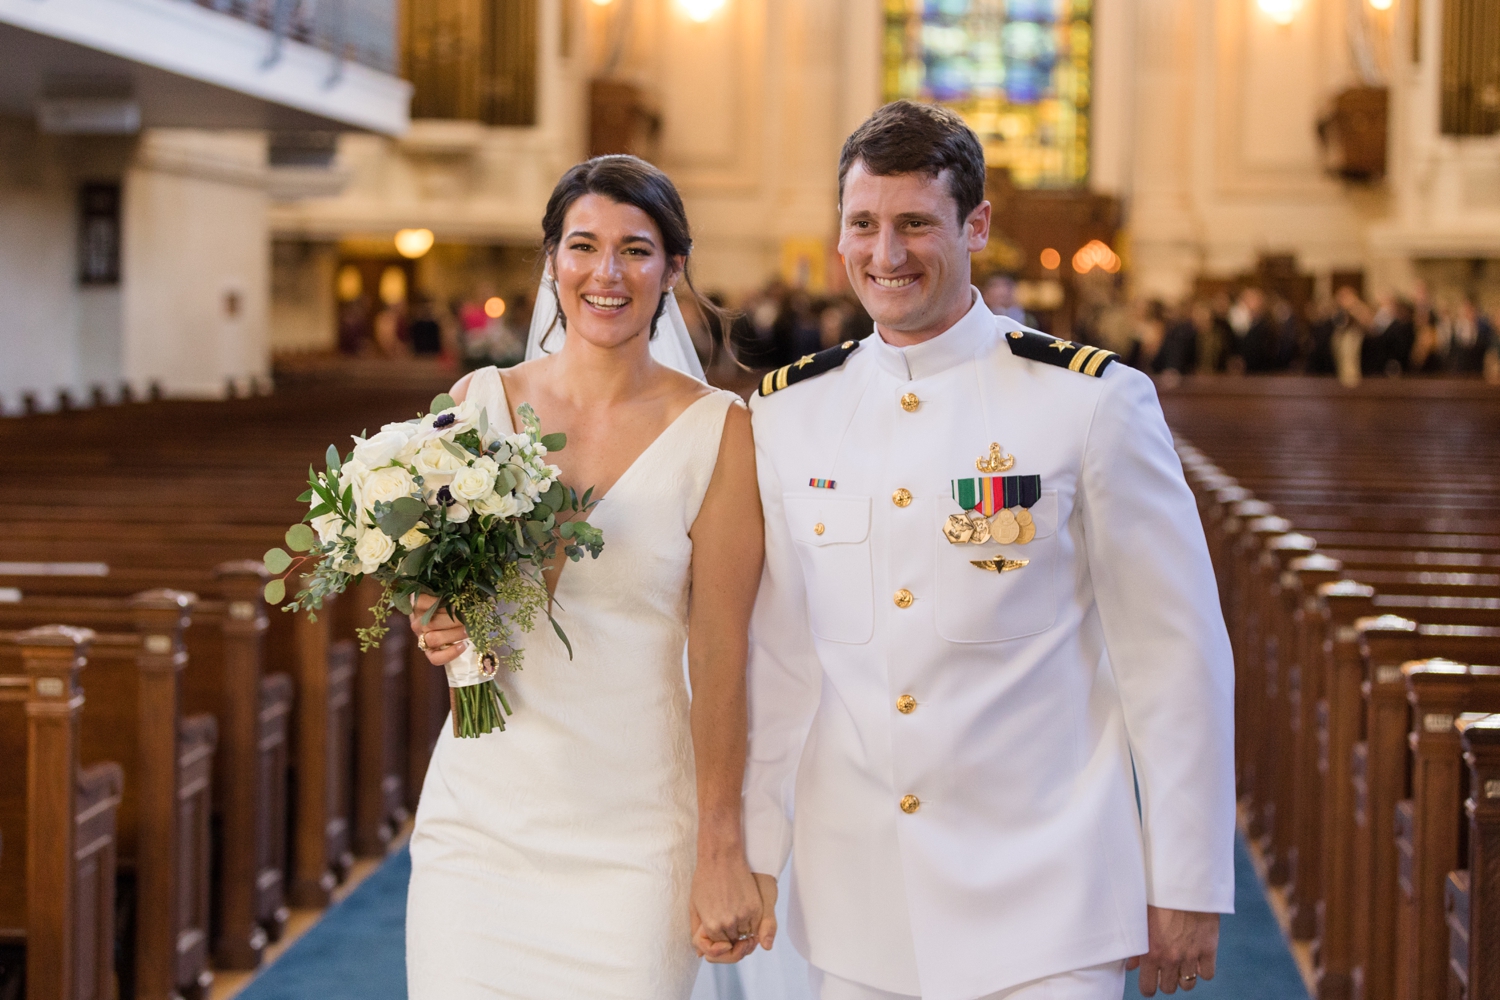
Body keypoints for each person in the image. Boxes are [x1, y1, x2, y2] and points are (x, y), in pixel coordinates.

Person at [744, 101, 1235, 1000]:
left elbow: (1173, 655)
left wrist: (1186, 878)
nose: (885, 255)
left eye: (915, 225)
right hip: (860, 893)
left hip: (1047, 894)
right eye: (863, 224)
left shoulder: (1089, 401)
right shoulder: (787, 413)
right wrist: (753, 848)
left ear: (976, 226)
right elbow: (780, 659)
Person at [403, 155, 772, 999]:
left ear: (674, 268)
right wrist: (437, 616)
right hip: (481, 822)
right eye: (583, 246)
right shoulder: (478, 401)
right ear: (550, 260)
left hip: (636, 833)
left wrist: (721, 844)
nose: (607, 274)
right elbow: (433, 584)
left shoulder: (721, 431)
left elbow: (723, 655)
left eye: (636, 250)